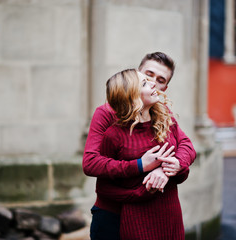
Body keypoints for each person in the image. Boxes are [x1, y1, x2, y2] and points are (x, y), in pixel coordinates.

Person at [82, 52, 196, 239]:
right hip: (112, 212)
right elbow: (90, 162)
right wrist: (140, 165)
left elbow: (186, 145)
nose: (153, 82)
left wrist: (169, 166)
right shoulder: (106, 113)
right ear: (136, 75)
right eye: (148, 75)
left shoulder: (161, 113)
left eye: (160, 80)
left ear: (164, 87)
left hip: (157, 212)